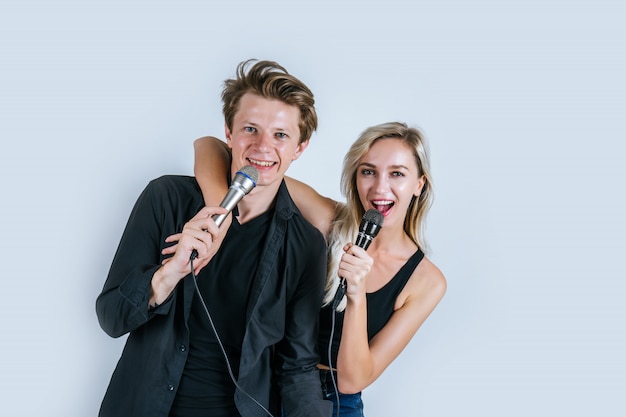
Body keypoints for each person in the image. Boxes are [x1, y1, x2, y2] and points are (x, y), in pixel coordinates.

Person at [96, 59, 333, 417]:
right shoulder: (167, 198)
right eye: (250, 129)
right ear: (228, 132)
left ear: (300, 147)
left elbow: (297, 366)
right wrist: (166, 276)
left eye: (281, 135)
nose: (263, 147)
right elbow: (110, 317)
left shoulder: (305, 246)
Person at [192, 121, 447, 416]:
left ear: (419, 184)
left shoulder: (426, 282)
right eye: (368, 171)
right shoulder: (330, 221)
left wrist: (357, 295)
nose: (380, 187)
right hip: (265, 383)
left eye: (397, 174)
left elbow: (353, 380)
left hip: (336, 401)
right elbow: (209, 146)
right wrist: (219, 216)